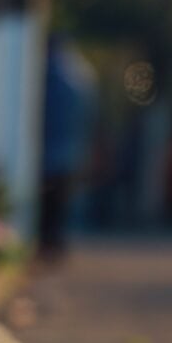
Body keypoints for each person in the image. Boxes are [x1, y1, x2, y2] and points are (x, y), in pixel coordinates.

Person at [39, 36, 96, 258]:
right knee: (60, 199)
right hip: (72, 148)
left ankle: (48, 242)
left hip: (47, 147)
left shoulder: (47, 74)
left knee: (47, 199)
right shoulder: (81, 74)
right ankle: (56, 241)